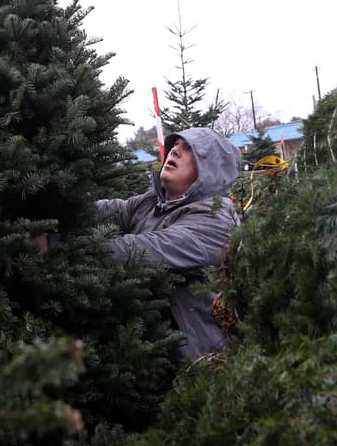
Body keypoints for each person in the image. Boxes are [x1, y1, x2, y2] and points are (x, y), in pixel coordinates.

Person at [97, 127, 241, 361]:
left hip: (195, 366)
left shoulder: (216, 221)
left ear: (210, 170)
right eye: (176, 145)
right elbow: (113, 210)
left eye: (188, 149)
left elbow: (144, 251)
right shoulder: (154, 201)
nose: (175, 151)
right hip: (144, 355)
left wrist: (65, 247)